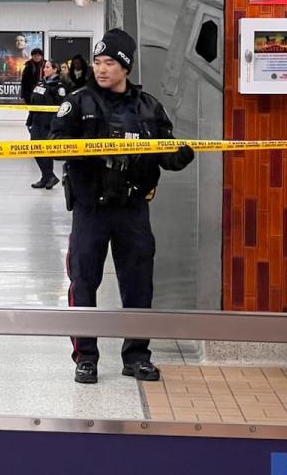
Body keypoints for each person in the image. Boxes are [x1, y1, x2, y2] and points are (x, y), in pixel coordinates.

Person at [50, 28, 195, 386]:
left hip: (132, 211)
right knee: (84, 283)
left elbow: (170, 154)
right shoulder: (78, 102)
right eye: (97, 62)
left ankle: (137, 356)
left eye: (110, 63)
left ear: (125, 67)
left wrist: (181, 153)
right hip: (91, 211)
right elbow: (52, 145)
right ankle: (86, 357)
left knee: (139, 285)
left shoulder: (148, 107)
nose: (101, 69)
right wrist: (88, 146)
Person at [26, 60, 65, 189]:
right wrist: (29, 120)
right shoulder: (41, 83)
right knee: (35, 149)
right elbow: (33, 102)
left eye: (47, 67)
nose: (44, 70)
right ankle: (48, 176)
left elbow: (61, 106)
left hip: (48, 123)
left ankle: (47, 177)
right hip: (36, 121)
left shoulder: (59, 86)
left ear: (55, 69)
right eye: (44, 67)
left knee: (45, 151)